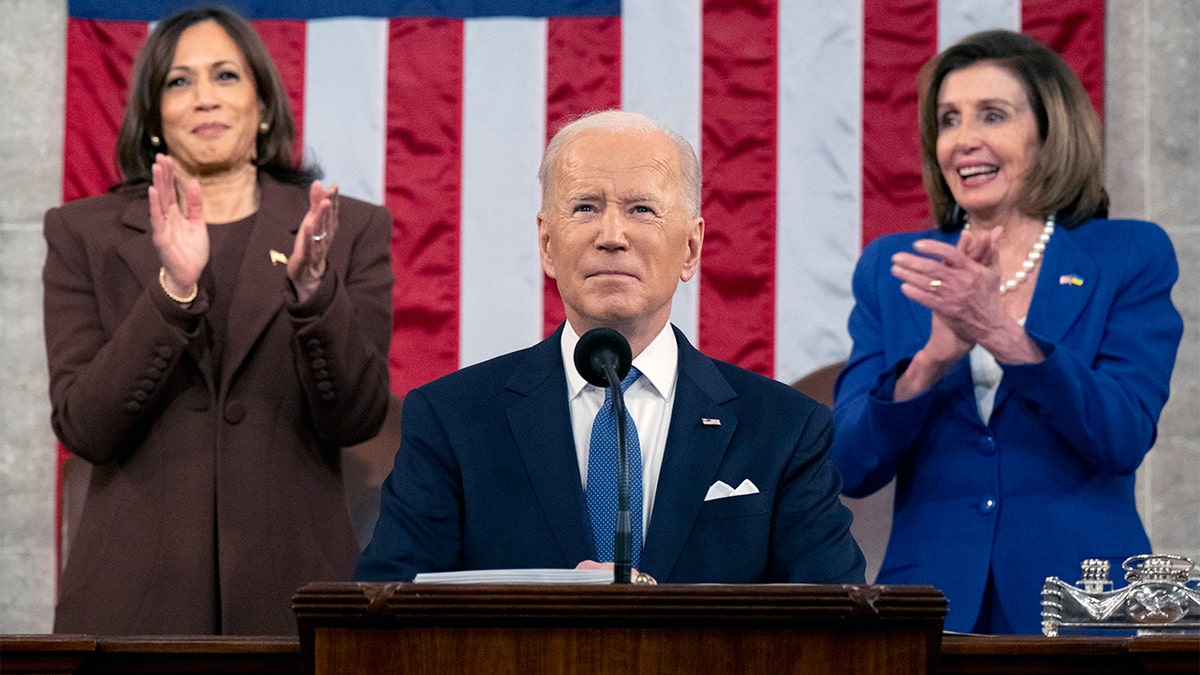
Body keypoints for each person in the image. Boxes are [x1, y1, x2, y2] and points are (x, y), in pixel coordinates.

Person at [356, 110, 865, 584]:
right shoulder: (453, 419)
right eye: (585, 207)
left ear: (691, 248)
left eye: (641, 209)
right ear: (547, 245)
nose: (612, 236)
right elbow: (388, 609)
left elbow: (838, 623)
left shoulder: (783, 428)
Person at [43, 6, 394, 635]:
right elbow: (85, 428)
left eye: (226, 76)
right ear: (153, 117)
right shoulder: (83, 234)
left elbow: (357, 416)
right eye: (179, 81)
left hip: (295, 600)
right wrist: (173, 292)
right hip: (131, 605)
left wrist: (314, 294)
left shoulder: (348, 230)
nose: (204, 96)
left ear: (262, 107)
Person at [831, 30, 1183, 634]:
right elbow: (849, 465)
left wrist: (1000, 332)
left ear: (1048, 134)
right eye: (948, 120)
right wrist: (930, 362)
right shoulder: (896, 270)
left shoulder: (1128, 254)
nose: (964, 140)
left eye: (992, 115)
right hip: (931, 608)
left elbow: (1121, 435)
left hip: (1082, 605)